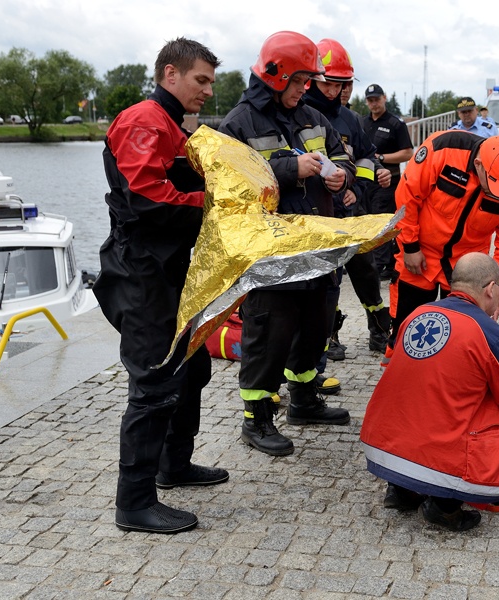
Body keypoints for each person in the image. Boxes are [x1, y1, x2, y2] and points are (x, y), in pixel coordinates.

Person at [93, 38, 228, 535]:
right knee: (152, 384)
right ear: (170, 74)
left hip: (169, 268)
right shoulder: (144, 120)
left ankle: (175, 464)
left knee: (189, 368)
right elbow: (149, 199)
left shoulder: (172, 124)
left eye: (211, 81)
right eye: (201, 80)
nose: (208, 90)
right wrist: (213, 203)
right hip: (141, 270)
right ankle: (134, 502)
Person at [361, 252, 499, 531]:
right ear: (491, 289)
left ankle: (402, 488)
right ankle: (445, 506)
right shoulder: (486, 332)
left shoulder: (419, 313)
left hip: (382, 442)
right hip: (438, 449)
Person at [218, 31, 356, 457]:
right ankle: (256, 421)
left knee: (315, 325)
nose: (304, 89)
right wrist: (289, 168)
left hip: (317, 248)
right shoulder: (237, 124)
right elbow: (232, 188)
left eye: (307, 82)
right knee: (269, 334)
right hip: (272, 254)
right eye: (298, 81)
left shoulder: (314, 117)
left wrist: (342, 176)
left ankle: (304, 399)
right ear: (276, 75)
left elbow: (344, 156)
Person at [383, 132, 499, 365]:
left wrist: (497, 283)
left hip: (469, 266)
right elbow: (407, 196)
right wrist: (410, 246)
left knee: (461, 333)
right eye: (492, 184)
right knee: (407, 326)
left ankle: (450, 381)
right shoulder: (443, 149)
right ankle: (398, 377)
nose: (495, 191)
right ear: (478, 165)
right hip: (421, 254)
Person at [304, 38, 393, 356]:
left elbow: (367, 159)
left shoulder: (351, 120)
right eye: (328, 83)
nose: (333, 91)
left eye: (340, 84)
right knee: (327, 279)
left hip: (352, 214)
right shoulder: (300, 114)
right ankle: (327, 334)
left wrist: (357, 188)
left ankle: (379, 329)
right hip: (317, 217)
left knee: (367, 271)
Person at [362, 84, 414, 281]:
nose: (374, 103)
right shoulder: (361, 122)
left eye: (377, 99)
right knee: (369, 220)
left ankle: (380, 264)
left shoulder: (395, 123)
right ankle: (383, 261)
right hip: (366, 181)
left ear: (384, 98)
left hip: (388, 182)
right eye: (370, 100)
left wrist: (381, 158)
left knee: (382, 221)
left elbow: (407, 153)